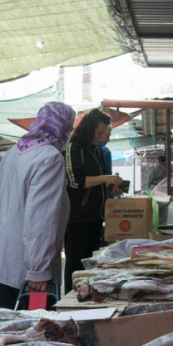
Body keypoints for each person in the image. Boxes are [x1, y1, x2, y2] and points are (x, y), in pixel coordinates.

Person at [0, 102, 74, 309]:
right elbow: (42, 218)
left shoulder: (15, 152)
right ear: (63, 127)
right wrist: (39, 270)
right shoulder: (50, 158)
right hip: (26, 272)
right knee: (31, 330)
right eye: (70, 128)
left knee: (1, 332)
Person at [64, 109, 123, 291]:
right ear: (88, 128)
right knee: (76, 265)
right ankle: (71, 299)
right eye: (98, 133)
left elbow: (99, 179)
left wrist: (112, 184)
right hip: (77, 218)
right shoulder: (72, 148)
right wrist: (106, 178)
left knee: (90, 264)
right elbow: (75, 181)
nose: (101, 137)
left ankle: (87, 297)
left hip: (96, 216)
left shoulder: (96, 149)